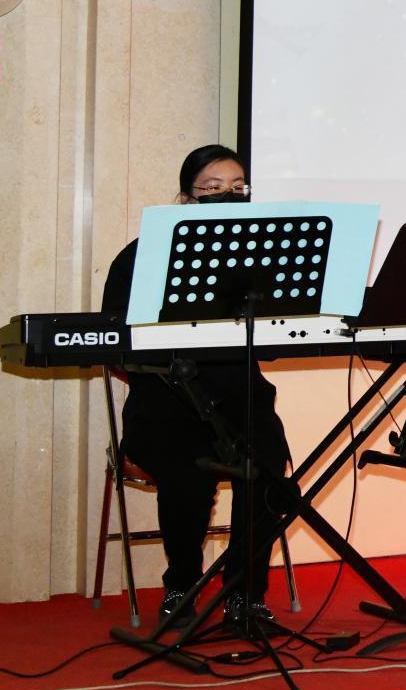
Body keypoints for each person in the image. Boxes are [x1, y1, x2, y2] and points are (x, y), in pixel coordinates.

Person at [100, 144, 291, 622]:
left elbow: (272, 339)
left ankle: (245, 594)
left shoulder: (261, 258)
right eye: (213, 188)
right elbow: (117, 344)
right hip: (167, 398)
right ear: (186, 199)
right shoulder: (141, 256)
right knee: (189, 471)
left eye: (238, 188)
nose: (228, 196)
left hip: (240, 397)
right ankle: (182, 586)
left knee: (267, 464)